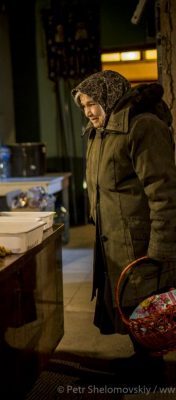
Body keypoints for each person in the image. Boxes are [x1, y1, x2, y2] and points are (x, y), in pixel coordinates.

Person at [71, 71, 176, 362]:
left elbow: (164, 194)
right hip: (113, 237)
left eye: (93, 103)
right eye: (83, 105)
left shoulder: (143, 127)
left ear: (110, 97)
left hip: (139, 240)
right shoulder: (99, 132)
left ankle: (150, 371)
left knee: (147, 306)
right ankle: (142, 360)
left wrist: (161, 250)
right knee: (128, 305)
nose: (89, 111)